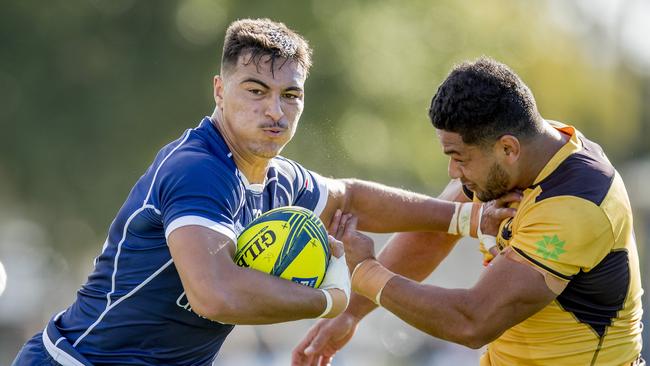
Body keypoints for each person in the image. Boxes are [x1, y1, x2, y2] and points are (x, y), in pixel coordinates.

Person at [12, 20, 508, 366]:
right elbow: (215, 294)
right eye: (255, 90)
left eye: (290, 95)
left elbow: (351, 198)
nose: (275, 110)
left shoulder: (278, 179)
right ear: (219, 91)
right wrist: (332, 299)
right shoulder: (199, 169)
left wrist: (470, 219)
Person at [293, 57, 644, 366]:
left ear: (508, 148)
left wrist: (366, 272)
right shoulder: (517, 154)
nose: (453, 173)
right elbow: (435, 230)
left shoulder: (574, 207)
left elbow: (473, 321)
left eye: (459, 158)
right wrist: (352, 313)